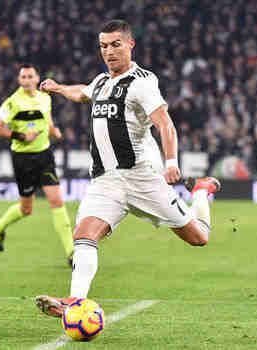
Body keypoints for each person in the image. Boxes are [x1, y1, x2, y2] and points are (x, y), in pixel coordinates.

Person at [34, 20, 221, 317]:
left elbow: (165, 124)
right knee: (84, 233)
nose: (109, 52)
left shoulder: (142, 82)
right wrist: (57, 88)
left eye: (115, 45)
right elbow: (82, 92)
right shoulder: (101, 82)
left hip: (141, 179)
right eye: (104, 46)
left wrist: (171, 162)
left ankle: (200, 192)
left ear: (130, 45)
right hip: (106, 181)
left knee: (198, 237)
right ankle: (75, 301)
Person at [0, 63, 74, 266]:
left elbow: (48, 120)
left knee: (56, 201)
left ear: (37, 79)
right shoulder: (13, 102)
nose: (27, 80)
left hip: (44, 155)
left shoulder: (45, 98)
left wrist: (54, 130)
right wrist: (21, 135)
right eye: (23, 77)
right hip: (23, 159)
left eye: (30, 76)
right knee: (26, 209)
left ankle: (72, 253)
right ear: (20, 81)